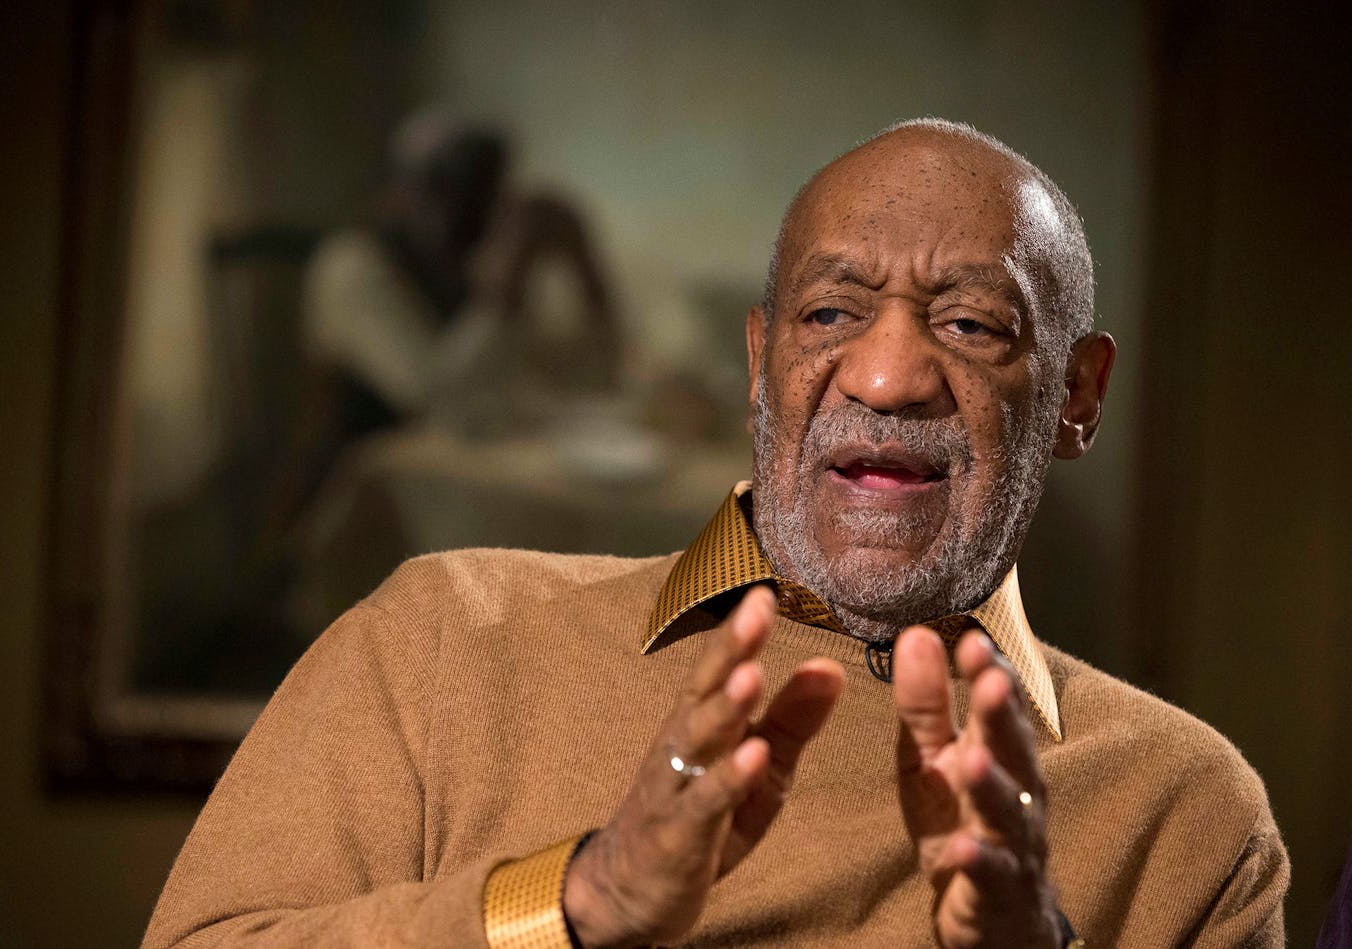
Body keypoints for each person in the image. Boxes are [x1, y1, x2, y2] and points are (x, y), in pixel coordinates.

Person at [144, 119, 1287, 948]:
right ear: (760, 365)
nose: (885, 376)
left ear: (1077, 396)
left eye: (972, 322)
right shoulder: (438, 636)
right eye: (829, 313)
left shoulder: (1187, 815)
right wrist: (576, 901)